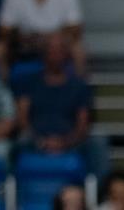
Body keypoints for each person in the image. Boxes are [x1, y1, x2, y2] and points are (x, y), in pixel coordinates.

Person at [13, 32, 104, 174]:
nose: (55, 55)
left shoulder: (79, 86)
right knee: (20, 141)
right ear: (43, 54)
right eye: (51, 50)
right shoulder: (29, 83)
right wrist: (40, 141)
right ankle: (12, 185)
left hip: (71, 142)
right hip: (35, 141)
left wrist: (65, 142)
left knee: (98, 141)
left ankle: (100, 186)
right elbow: (22, 118)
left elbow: (83, 124)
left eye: (60, 51)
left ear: (67, 55)